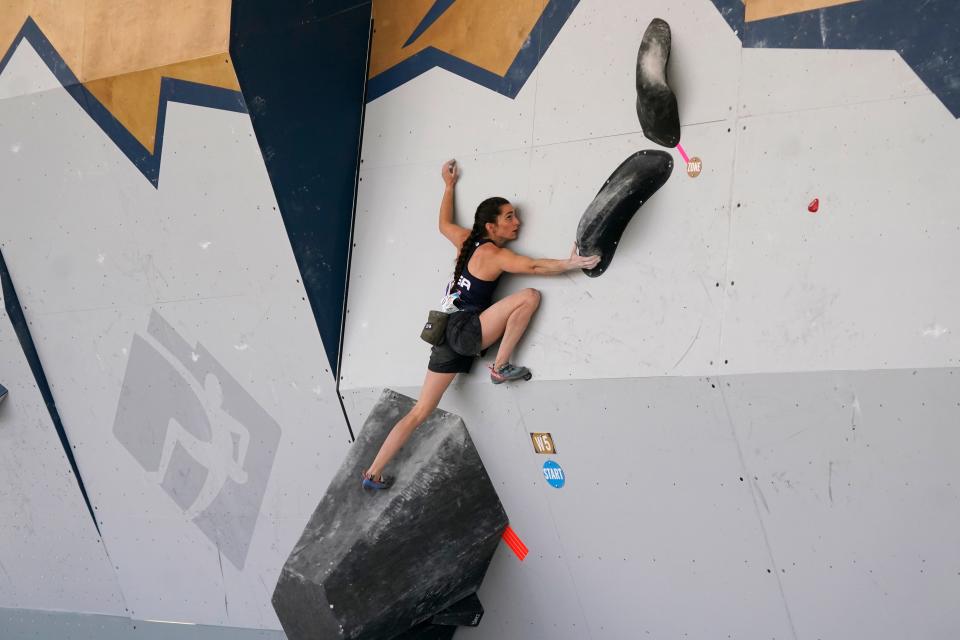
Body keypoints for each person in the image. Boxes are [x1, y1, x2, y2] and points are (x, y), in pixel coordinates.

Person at [361, 159, 600, 490]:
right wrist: (571, 264)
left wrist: (448, 185)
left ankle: (372, 473)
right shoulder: (493, 254)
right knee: (529, 296)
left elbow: (444, 223)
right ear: (491, 227)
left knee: (420, 412)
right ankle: (500, 366)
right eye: (509, 217)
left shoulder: (465, 240)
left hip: (445, 334)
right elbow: (533, 267)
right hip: (465, 329)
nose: (518, 222)